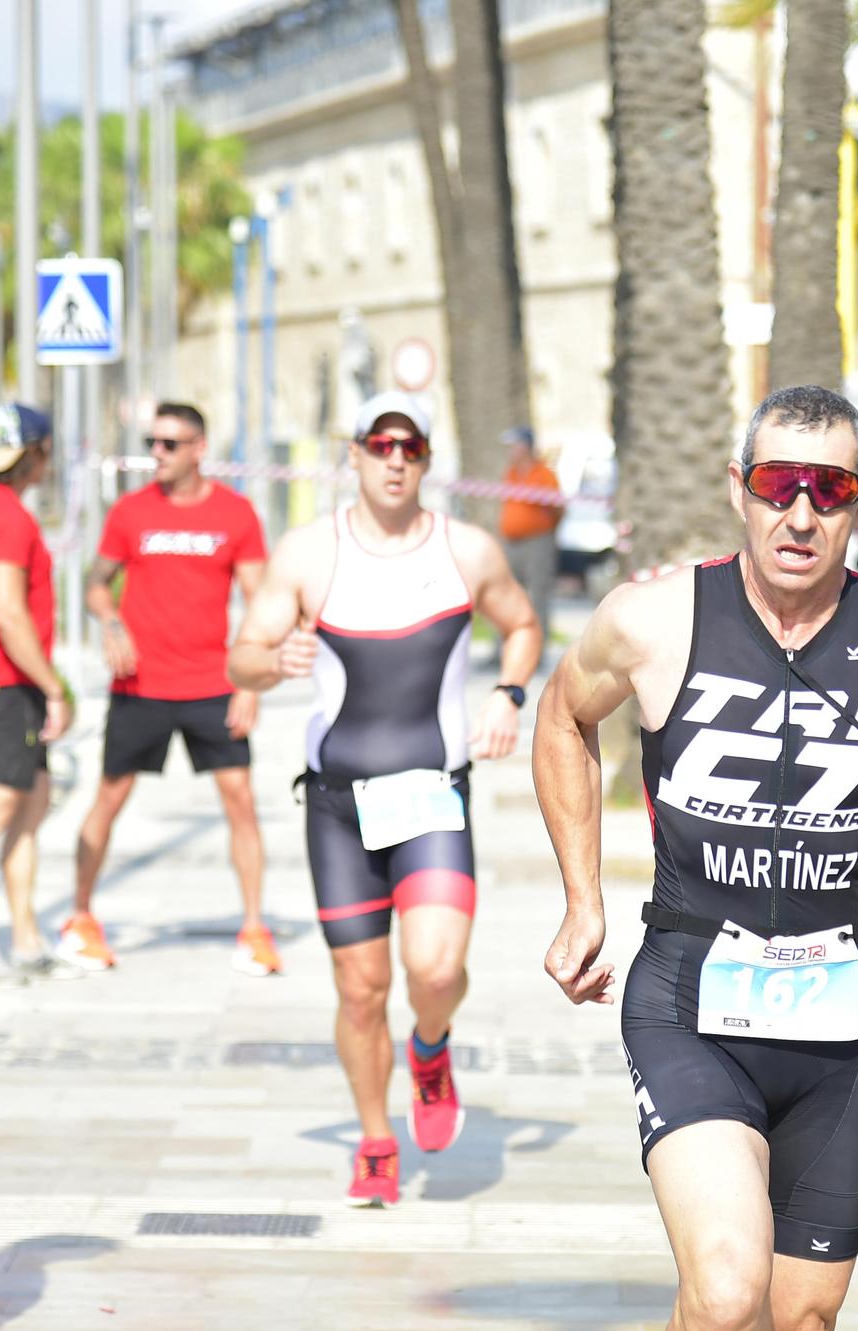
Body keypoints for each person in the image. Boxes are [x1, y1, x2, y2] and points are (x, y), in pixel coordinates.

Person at [533, 385, 858, 1329]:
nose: (800, 512)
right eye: (777, 482)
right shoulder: (655, 620)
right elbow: (563, 718)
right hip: (688, 995)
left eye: (828, 488)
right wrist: (582, 899)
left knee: (797, 1318)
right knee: (726, 1294)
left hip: (837, 1023)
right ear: (739, 490)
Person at [229, 390, 542, 1207]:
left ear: (428, 460)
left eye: (411, 448)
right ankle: (375, 1138)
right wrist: (276, 661)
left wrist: (509, 694)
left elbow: (524, 624)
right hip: (337, 804)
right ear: (355, 454)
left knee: (435, 967)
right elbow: (242, 658)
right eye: (380, 445)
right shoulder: (307, 553)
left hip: (431, 794)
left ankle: (431, 1047)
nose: (395, 460)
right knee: (361, 991)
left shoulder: (466, 550)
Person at [65, 402, 280, 978]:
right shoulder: (130, 512)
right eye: (152, 442)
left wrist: (251, 683)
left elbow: (262, 605)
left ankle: (255, 929)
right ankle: (80, 917)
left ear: (198, 448)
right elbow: (96, 582)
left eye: (168, 444)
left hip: (213, 684)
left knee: (241, 802)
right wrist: (110, 622)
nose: (155, 454)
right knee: (109, 797)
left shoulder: (236, 515)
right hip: (141, 685)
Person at [0, 405, 76, 983]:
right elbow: (7, 610)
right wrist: (54, 688)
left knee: (31, 803)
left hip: (11, 679)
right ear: (35, 454)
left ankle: (26, 936)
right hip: (7, 680)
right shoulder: (7, 518)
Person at [497, 424, 564, 642]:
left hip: (537, 542)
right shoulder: (512, 473)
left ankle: (538, 648)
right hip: (512, 542)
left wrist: (543, 529)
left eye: (513, 445)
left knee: (538, 597)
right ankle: (503, 649)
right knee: (505, 596)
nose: (510, 450)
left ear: (525, 447)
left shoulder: (544, 474)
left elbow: (558, 508)